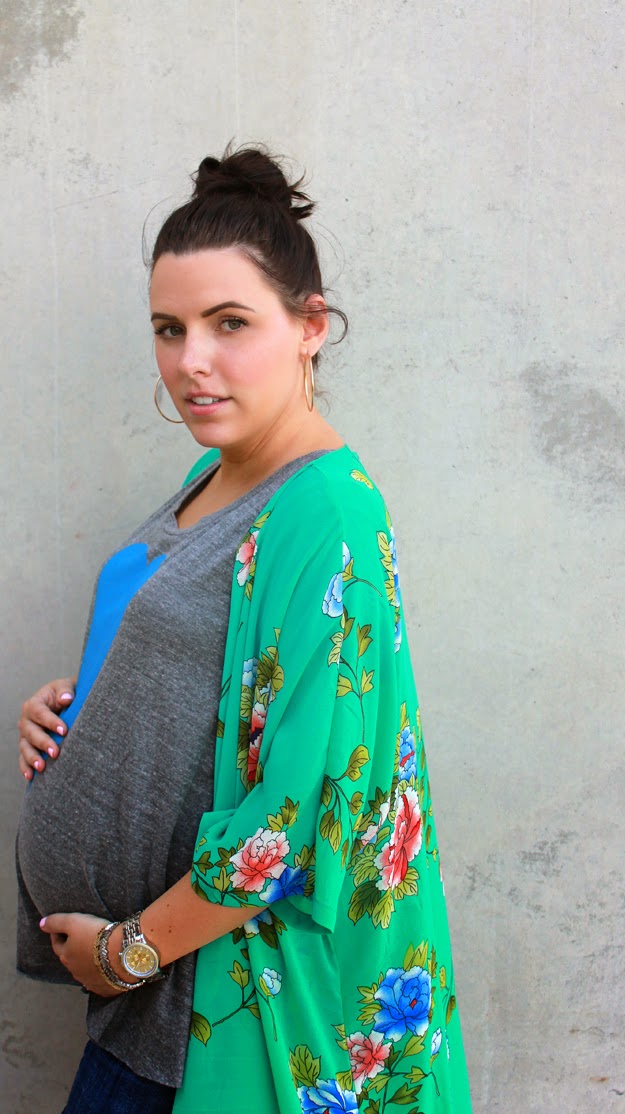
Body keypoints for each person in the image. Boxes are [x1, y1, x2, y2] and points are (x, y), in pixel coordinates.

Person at [16, 145, 472, 1114]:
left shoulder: (326, 515)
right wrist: (73, 711)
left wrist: (127, 952)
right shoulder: (218, 472)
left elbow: (294, 814)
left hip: (215, 1002)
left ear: (310, 326)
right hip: (156, 1001)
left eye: (230, 323)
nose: (191, 361)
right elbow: (198, 669)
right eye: (168, 328)